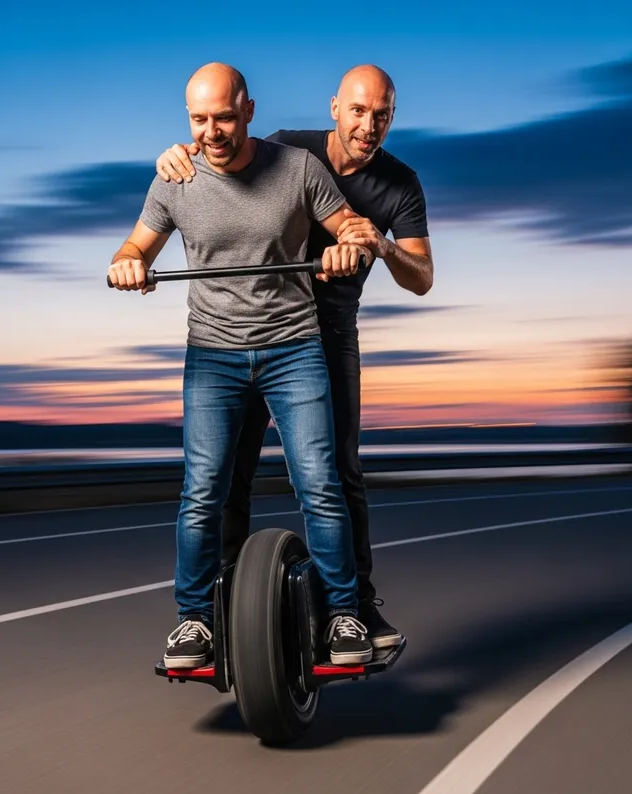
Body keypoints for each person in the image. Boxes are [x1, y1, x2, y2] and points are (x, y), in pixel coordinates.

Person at [108, 62, 378, 670]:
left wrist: (347, 246)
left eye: (225, 118)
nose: (213, 132)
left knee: (320, 485)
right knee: (203, 490)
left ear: (249, 111)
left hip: (295, 349)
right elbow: (134, 246)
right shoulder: (174, 179)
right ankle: (194, 621)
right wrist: (127, 263)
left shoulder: (298, 169)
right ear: (188, 119)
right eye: (200, 120)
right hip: (213, 357)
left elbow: (351, 229)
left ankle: (344, 614)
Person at [155, 64, 434, 649]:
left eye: (381, 114)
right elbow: (224, 156)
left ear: (392, 119)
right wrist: (177, 156)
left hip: (325, 332)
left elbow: (422, 278)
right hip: (249, 330)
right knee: (225, 476)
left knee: (335, 474)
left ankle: (353, 607)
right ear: (335, 108)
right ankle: (219, 609)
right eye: (358, 110)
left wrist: (376, 245)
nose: (368, 125)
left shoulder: (400, 183)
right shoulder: (288, 151)